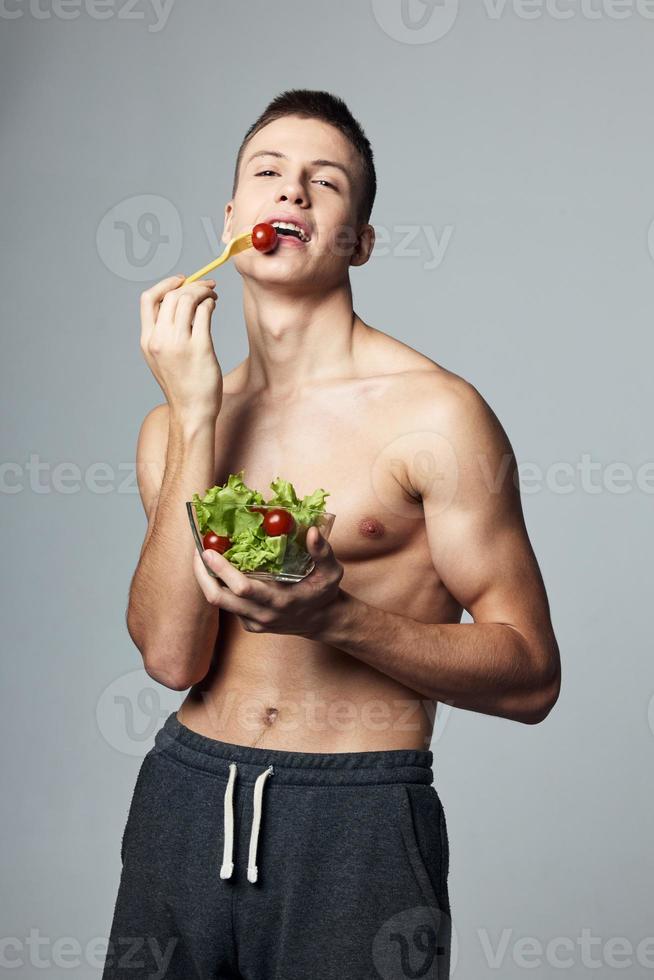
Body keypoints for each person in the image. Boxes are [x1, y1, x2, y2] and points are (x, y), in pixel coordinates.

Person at [102, 89, 561, 979]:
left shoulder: (437, 415)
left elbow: (534, 677)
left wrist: (336, 618)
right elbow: (170, 658)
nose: (294, 194)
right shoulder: (175, 425)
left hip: (359, 818)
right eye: (268, 174)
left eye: (327, 183)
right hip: (185, 799)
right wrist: (196, 416)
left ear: (360, 240)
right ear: (232, 218)